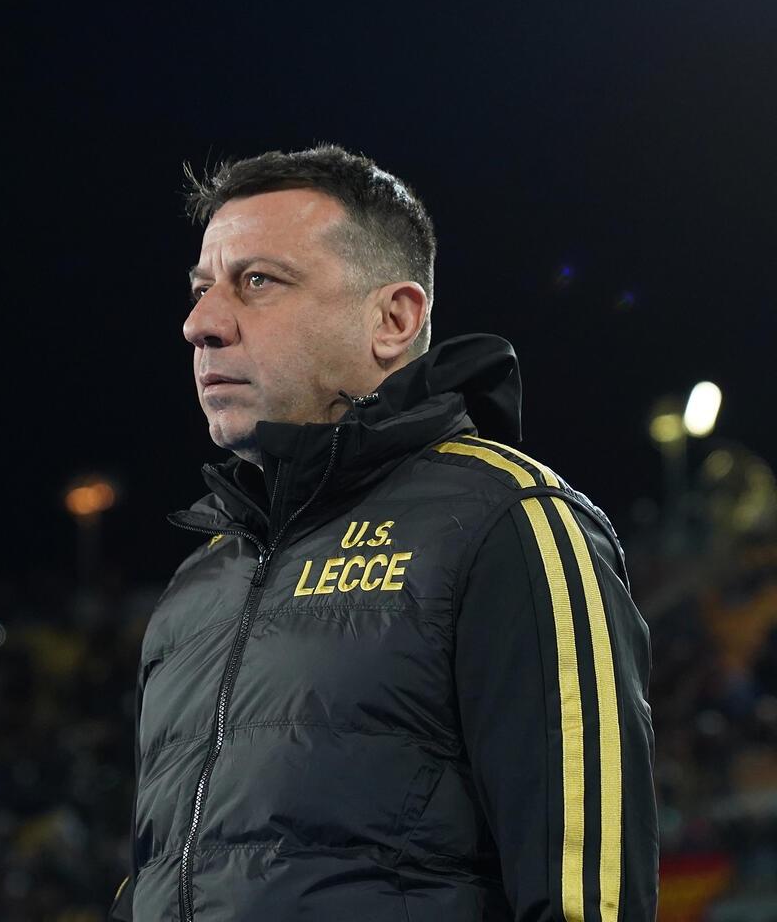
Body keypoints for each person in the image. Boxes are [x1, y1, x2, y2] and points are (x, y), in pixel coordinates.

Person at [110, 145, 658, 921]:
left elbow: (589, 902)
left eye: (257, 281)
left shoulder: (509, 521)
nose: (200, 324)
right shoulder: (197, 585)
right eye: (202, 289)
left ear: (394, 320)